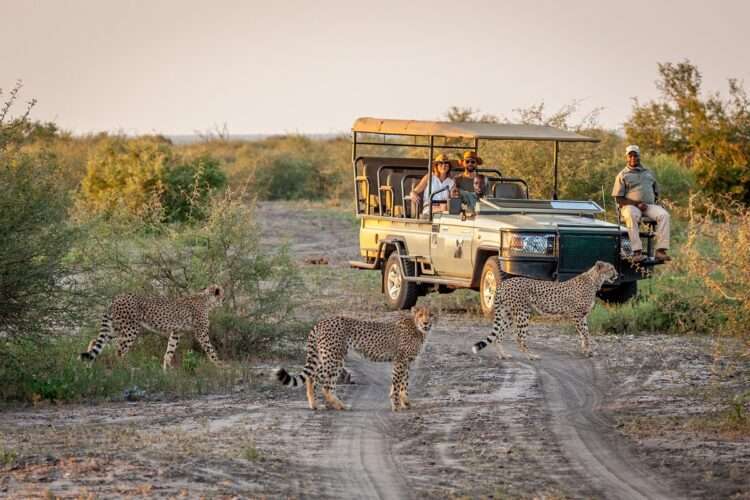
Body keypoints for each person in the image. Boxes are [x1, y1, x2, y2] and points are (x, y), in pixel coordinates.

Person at [612, 145, 671, 262]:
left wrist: (657, 203)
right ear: (627, 158)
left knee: (664, 215)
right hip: (630, 206)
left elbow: (656, 192)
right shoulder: (622, 175)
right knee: (631, 215)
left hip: (648, 205)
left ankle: (660, 251)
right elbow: (618, 198)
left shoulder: (648, 172)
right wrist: (637, 203)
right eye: (631, 155)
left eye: (635, 155)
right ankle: (636, 252)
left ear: (639, 157)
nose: (633, 158)